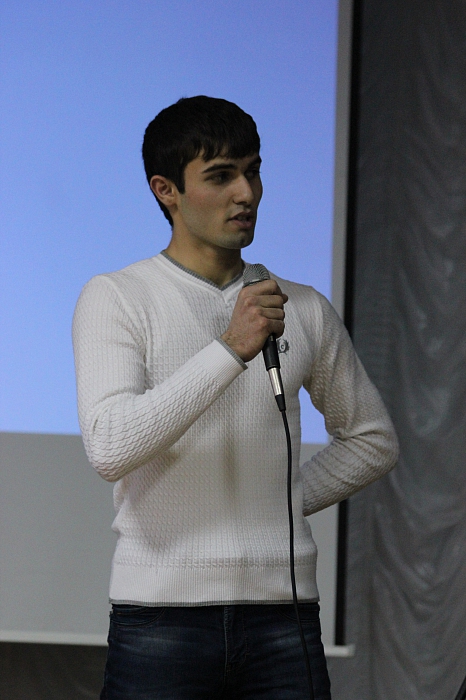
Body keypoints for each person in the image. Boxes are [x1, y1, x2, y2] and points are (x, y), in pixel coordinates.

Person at [72, 95, 398, 699]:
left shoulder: (301, 306)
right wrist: (230, 349)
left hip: (284, 617)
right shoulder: (117, 296)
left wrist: (274, 501)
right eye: (221, 176)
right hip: (160, 617)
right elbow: (110, 447)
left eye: (253, 171)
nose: (245, 193)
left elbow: (372, 440)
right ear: (166, 190)